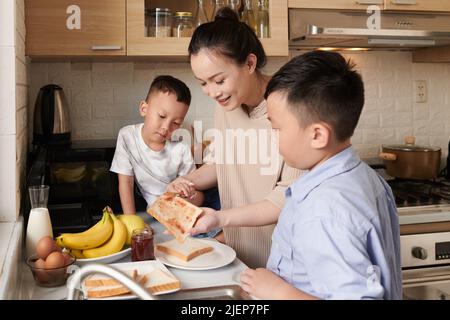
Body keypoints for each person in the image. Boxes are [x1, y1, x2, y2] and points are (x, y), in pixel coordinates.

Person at [190, 51, 402, 300]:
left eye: (277, 128)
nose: (272, 136)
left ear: (318, 135)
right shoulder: (366, 176)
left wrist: (277, 290)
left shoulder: (323, 210)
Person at [167, 7, 301, 268]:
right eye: (203, 83)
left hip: (282, 257)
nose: (212, 92)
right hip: (239, 252)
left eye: (218, 80)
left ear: (250, 64)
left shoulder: (290, 105)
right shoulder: (226, 106)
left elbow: (287, 197)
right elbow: (223, 163)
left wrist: (221, 218)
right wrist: (186, 182)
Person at [110, 75, 204, 214]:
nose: (166, 127)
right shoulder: (127, 136)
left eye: (176, 123)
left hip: (176, 203)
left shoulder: (181, 147)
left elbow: (192, 185)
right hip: (155, 208)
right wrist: (131, 221)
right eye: (161, 116)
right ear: (144, 108)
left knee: (199, 196)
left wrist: (184, 194)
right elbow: (126, 182)